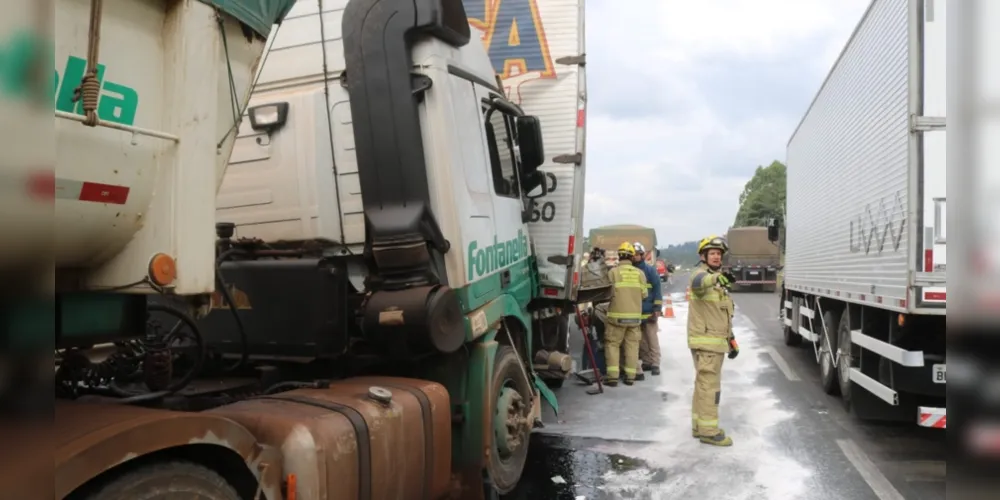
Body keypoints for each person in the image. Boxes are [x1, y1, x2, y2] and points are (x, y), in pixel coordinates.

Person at [688, 235, 738, 446]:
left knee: (703, 385)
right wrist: (717, 278)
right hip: (707, 342)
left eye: (719, 254)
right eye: (713, 253)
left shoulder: (717, 282)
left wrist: (731, 339)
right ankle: (709, 431)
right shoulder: (700, 276)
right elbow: (698, 284)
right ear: (703, 256)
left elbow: (722, 314)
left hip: (716, 341)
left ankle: (699, 426)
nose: (717, 257)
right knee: (710, 387)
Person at [603, 241, 647, 386]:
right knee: (632, 347)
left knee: (613, 345)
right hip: (634, 318)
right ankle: (630, 377)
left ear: (619, 256)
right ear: (632, 257)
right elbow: (644, 294)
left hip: (616, 318)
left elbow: (605, 294)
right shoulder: (640, 274)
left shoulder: (613, 273)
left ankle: (613, 377)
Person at [630, 242, 663, 377]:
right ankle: (647, 362)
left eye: (637, 255)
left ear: (642, 255)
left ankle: (655, 363)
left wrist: (657, 308)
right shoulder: (631, 271)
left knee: (651, 338)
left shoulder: (650, 271)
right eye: (633, 255)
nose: (634, 257)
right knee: (641, 339)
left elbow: (657, 289)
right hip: (636, 310)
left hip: (649, 310)